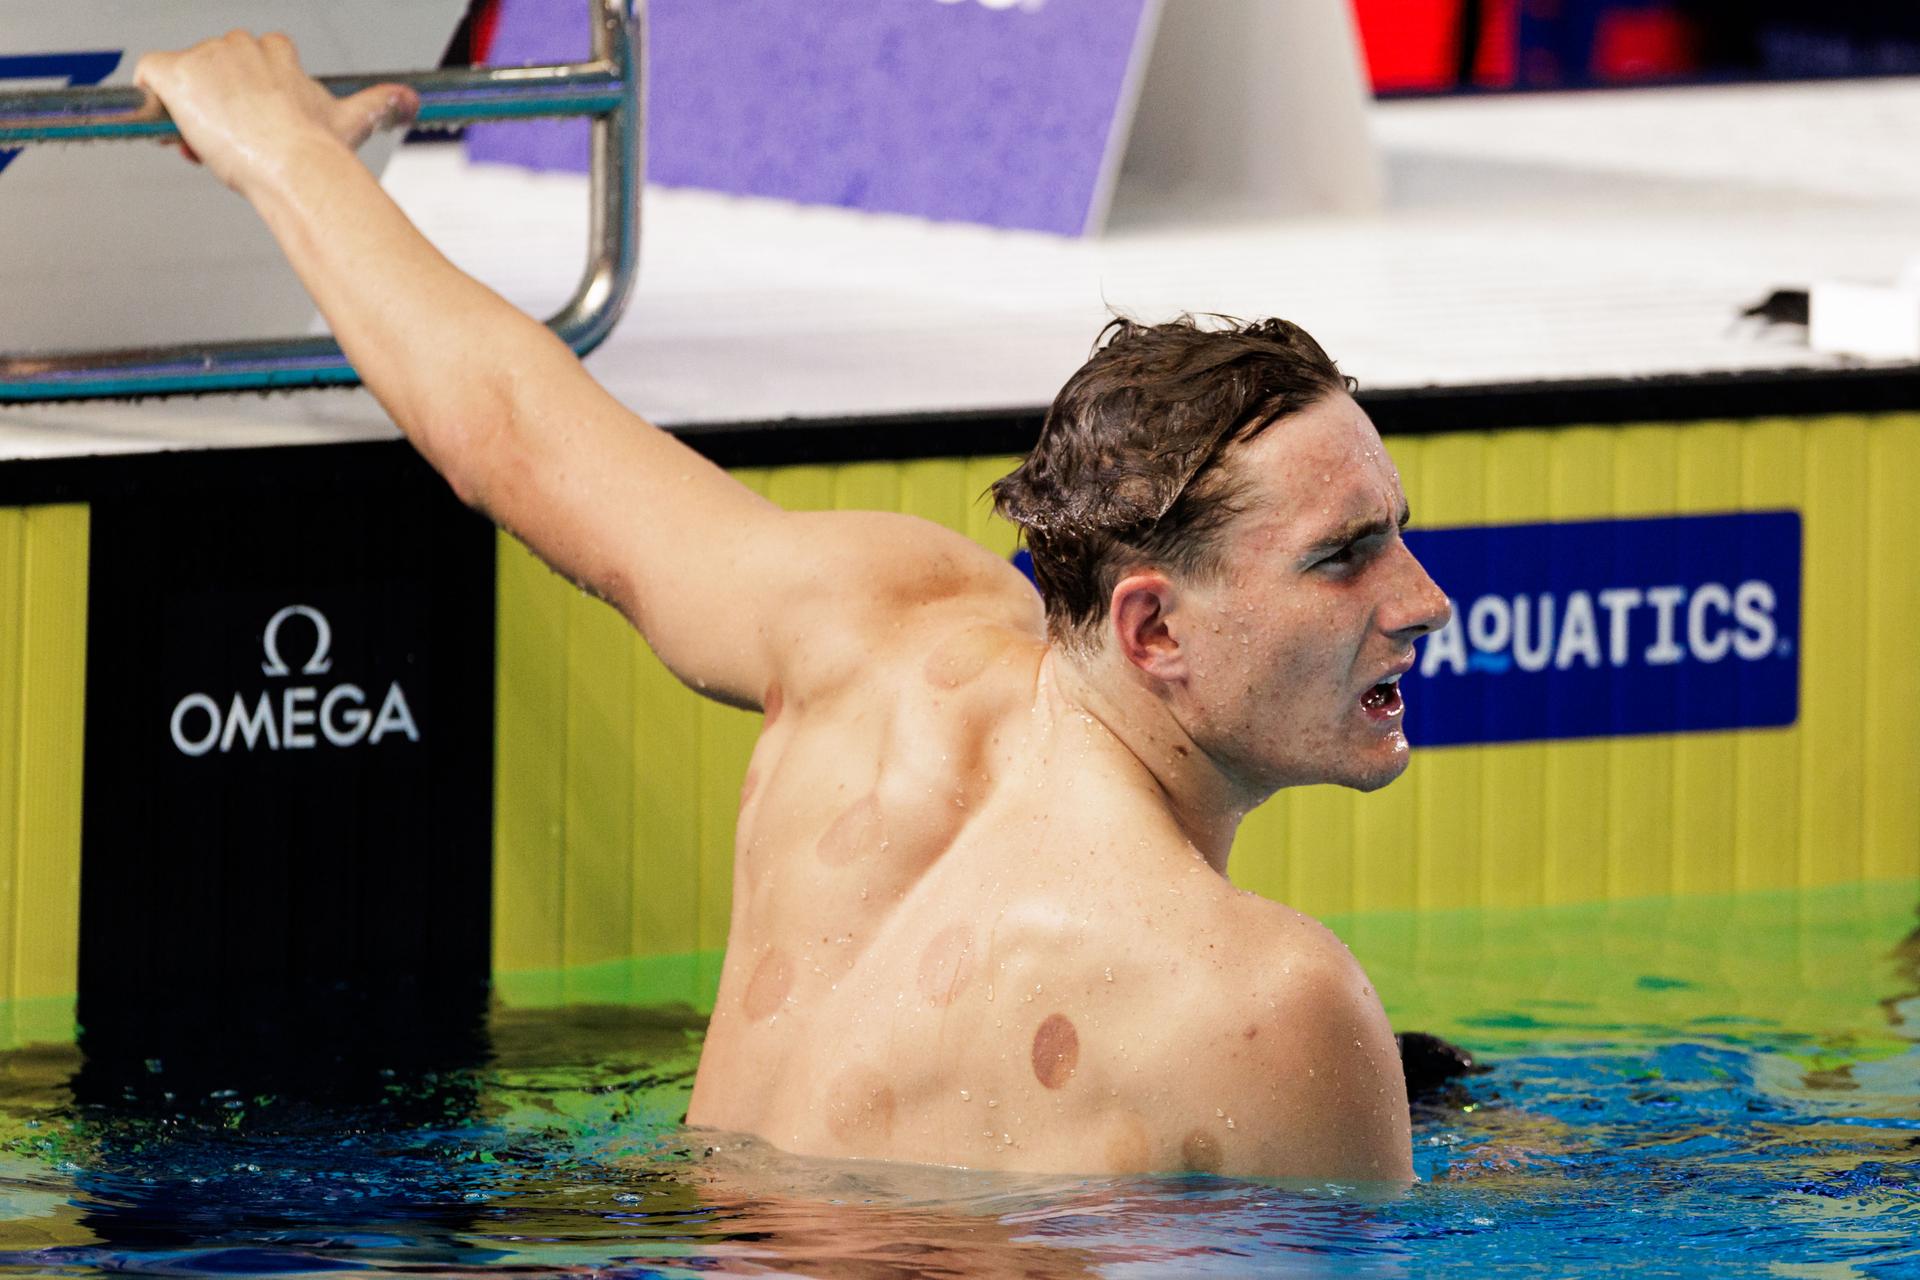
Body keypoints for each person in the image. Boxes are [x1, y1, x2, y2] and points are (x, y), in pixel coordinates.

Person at [134, 32, 1452, 1183]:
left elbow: (515, 428)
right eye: (1344, 557)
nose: (1426, 601)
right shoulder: (1268, 1007)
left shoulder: (871, 624)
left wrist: (287, 155)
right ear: (1151, 629)